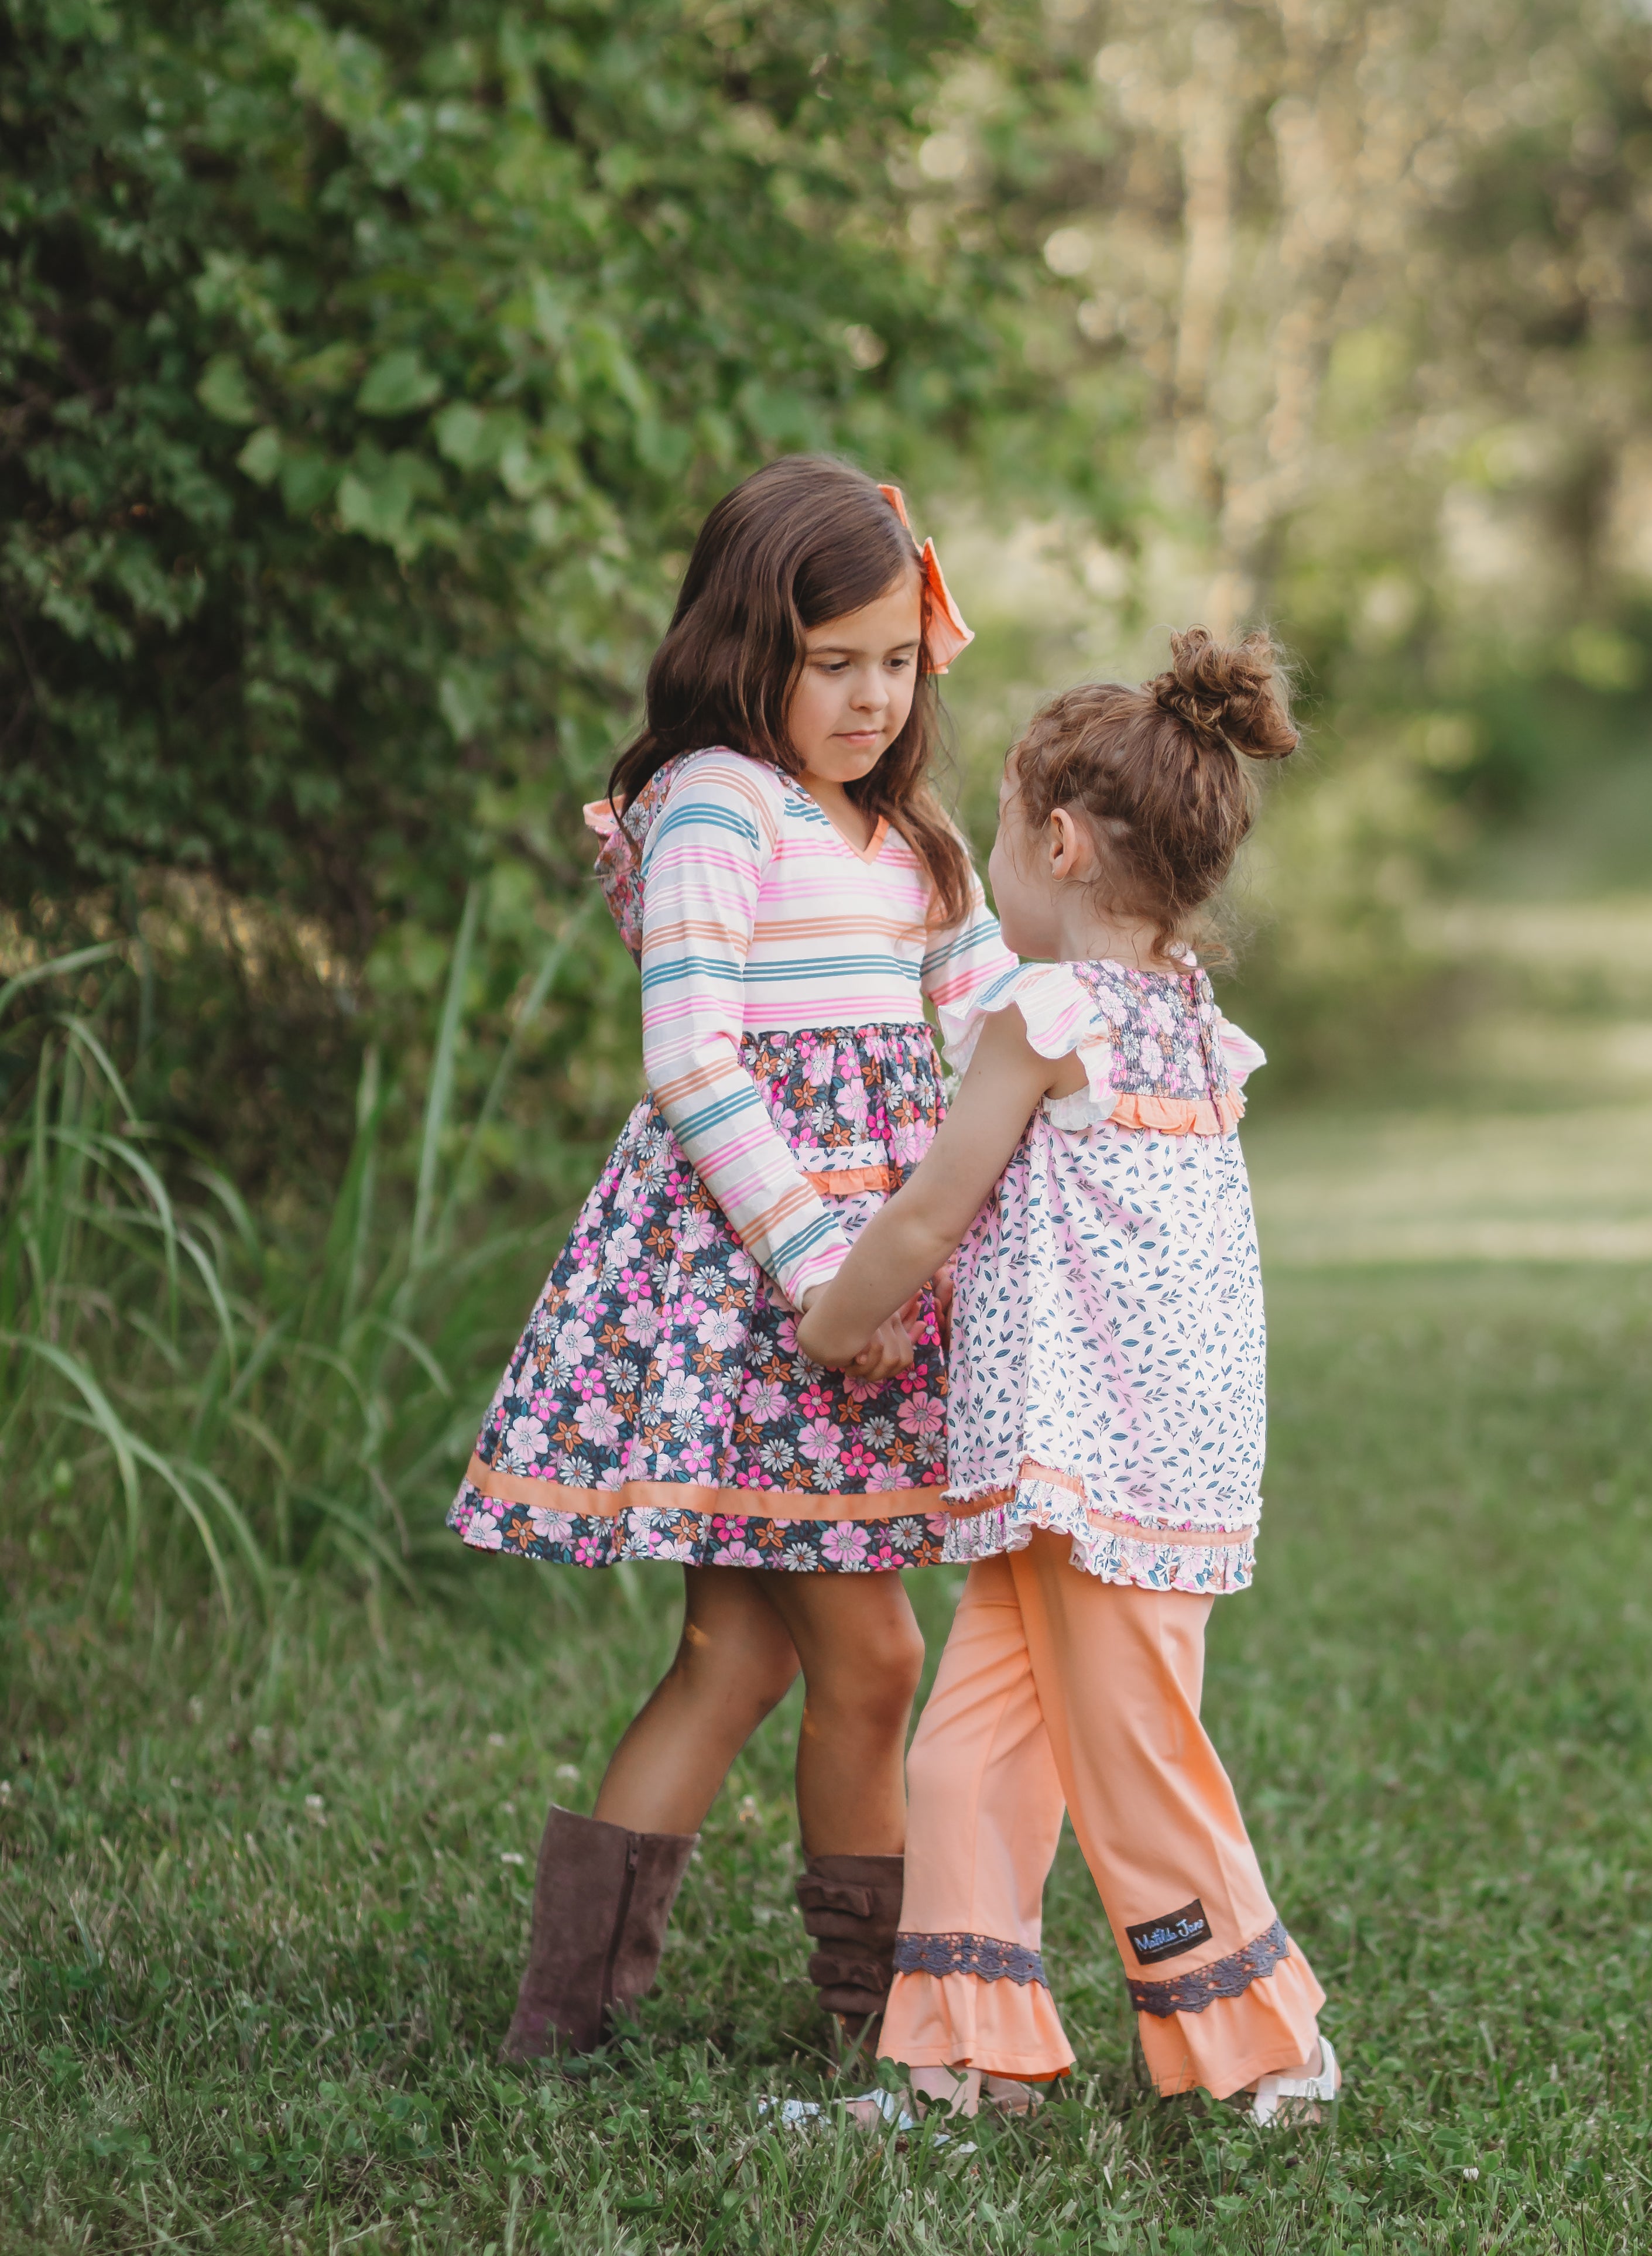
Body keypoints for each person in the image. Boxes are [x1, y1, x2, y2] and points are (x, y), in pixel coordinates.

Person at [448, 457, 1016, 2062]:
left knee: (738, 1650)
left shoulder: (912, 825)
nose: (867, 693)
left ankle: (560, 2017)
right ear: (744, 643)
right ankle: (880, 2017)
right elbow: (694, 1063)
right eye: (830, 660)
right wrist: (834, 1271)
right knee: (871, 1648)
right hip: (762, 1290)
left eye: (894, 659)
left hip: (867, 1279)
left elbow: (990, 1024)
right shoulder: (718, 797)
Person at [791, 626, 1339, 2128]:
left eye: (999, 845)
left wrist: (836, 1320)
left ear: (1054, 840)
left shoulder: (1046, 1019)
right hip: (1085, 1456)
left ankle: (1267, 2042)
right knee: (971, 1749)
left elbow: (927, 1207)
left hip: (1108, 1460)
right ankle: (964, 2057)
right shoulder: (1193, 1029)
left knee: (1131, 1752)